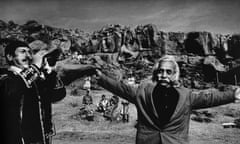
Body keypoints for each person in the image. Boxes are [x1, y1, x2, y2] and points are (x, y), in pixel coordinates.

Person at [93, 55, 240, 144]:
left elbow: (209, 98)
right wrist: (102, 78)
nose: (164, 75)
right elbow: (122, 89)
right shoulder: (143, 92)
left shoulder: (186, 95)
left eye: (168, 72)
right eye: (161, 71)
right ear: (156, 73)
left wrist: (232, 95)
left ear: (174, 74)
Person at [1, 40, 66, 144]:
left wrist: (50, 72)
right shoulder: (5, 77)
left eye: (30, 52)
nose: (29, 56)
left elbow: (58, 95)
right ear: (9, 57)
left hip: (39, 138)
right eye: (23, 52)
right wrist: (34, 68)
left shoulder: (35, 78)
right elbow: (12, 91)